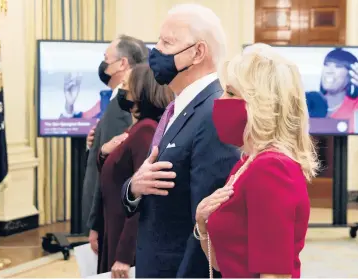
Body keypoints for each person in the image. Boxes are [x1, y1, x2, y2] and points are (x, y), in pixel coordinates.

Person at [120, 4, 240, 278]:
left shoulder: (214, 112)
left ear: (198, 52)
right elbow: (149, 183)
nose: (156, 50)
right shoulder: (178, 108)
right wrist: (133, 188)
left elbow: (208, 222)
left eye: (167, 42)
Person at [194, 43, 320, 278]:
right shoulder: (246, 163)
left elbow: (274, 273)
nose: (220, 100)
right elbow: (223, 263)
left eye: (231, 93)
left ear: (261, 105)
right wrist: (202, 223)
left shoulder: (271, 169)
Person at [96, 63, 173, 277]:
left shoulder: (146, 130)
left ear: (140, 90)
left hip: (125, 236)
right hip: (115, 226)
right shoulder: (136, 128)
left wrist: (124, 254)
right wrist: (103, 153)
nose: (122, 89)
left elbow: (142, 196)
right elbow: (116, 175)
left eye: (126, 84)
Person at [82, 35, 148, 261]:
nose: (103, 64)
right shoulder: (115, 100)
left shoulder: (124, 104)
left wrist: (96, 223)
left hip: (112, 216)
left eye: (106, 58)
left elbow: (114, 170)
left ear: (122, 64)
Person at [306, 48, 358, 132]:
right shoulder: (307, 101)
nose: (329, 71)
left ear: (352, 75)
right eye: (326, 65)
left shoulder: (357, 105)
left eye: (338, 66)